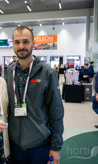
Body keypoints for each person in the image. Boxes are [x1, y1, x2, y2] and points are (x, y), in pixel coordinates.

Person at [5, 26, 64, 164]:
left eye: (26, 41)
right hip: (14, 143)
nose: (21, 46)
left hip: (39, 143)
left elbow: (56, 111)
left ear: (33, 43)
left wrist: (55, 147)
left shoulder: (47, 73)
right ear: (13, 44)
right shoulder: (8, 72)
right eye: (17, 42)